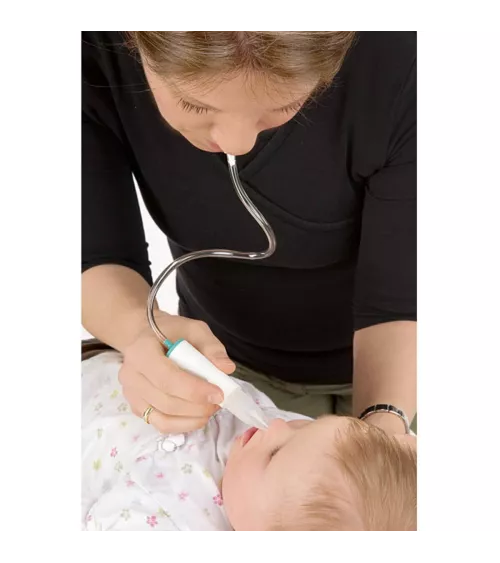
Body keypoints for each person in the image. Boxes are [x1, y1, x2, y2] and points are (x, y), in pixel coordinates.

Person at [82, 26, 417, 441]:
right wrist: (138, 331)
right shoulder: (87, 46)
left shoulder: (402, 61)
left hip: (405, 365)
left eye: (285, 104)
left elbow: (399, 300)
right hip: (225, 367)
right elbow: (90, 249)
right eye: (193, 103)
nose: (236, 144)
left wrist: (384, 431)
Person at [82, 350, 416, 533]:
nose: (278, 427)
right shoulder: (313, 458)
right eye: (305, 428)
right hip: (109, 364)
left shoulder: (171, 529)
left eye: (274, 455)